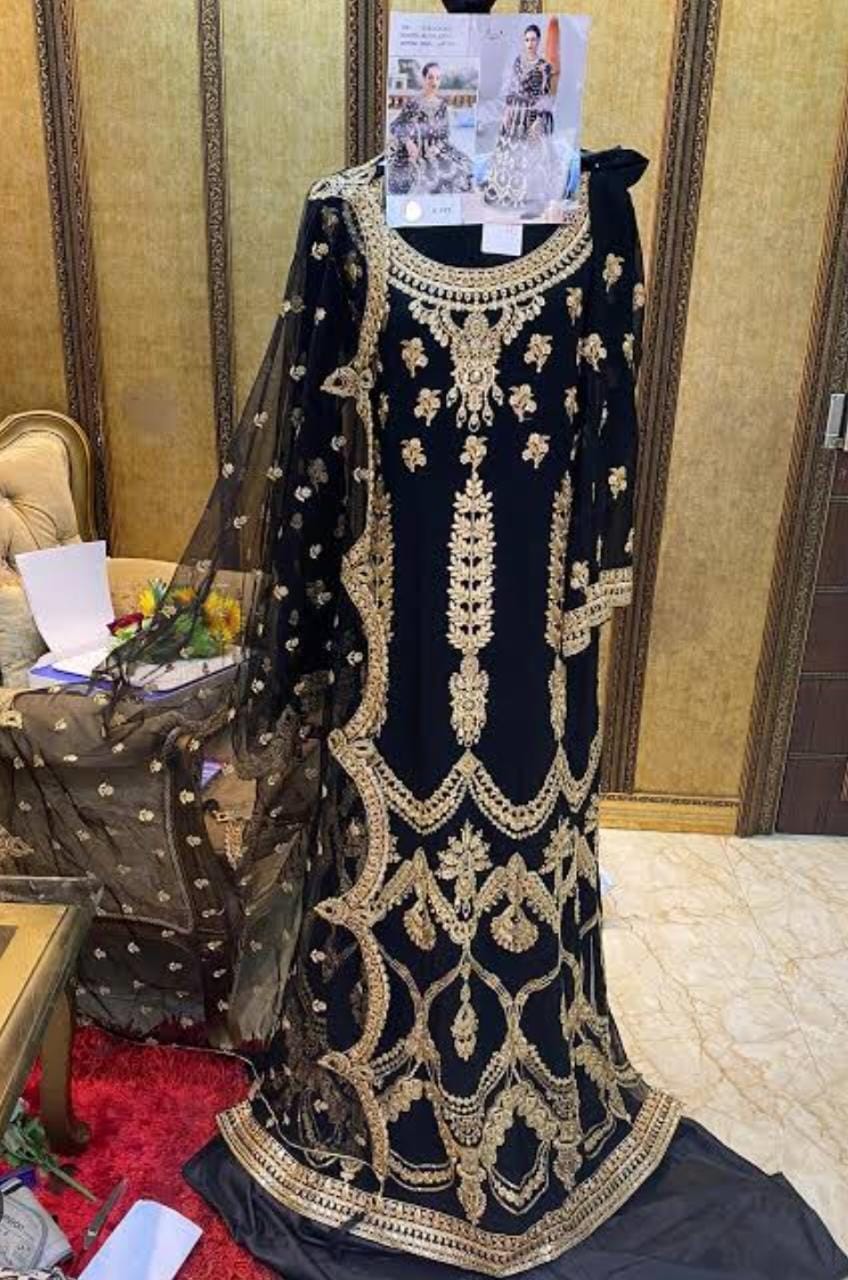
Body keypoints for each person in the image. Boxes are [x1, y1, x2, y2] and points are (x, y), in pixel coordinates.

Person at [482, 24, 560, 215]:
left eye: (533, 39)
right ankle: (504, 192)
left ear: (538, 41)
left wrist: (538, 121)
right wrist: (506, 112)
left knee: (530, 155)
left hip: (530, 114)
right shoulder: (518, 61)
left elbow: (545, 97)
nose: (530, 43)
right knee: (507, 153)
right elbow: (511, 88)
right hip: (514, 113)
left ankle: (528, 197)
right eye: (527, 40)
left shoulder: (544, 67)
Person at [387, 62, 474, 196]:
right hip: (414, 152)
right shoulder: (413, 103)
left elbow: (445, 133)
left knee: (462, 168)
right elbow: (395, 126)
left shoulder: (442, 105)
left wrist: (436, 148)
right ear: (424, 79)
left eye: (438, 78)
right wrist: (408, 142)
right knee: (412, 178)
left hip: (436, 150)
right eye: (430, 77)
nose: (434, 82)